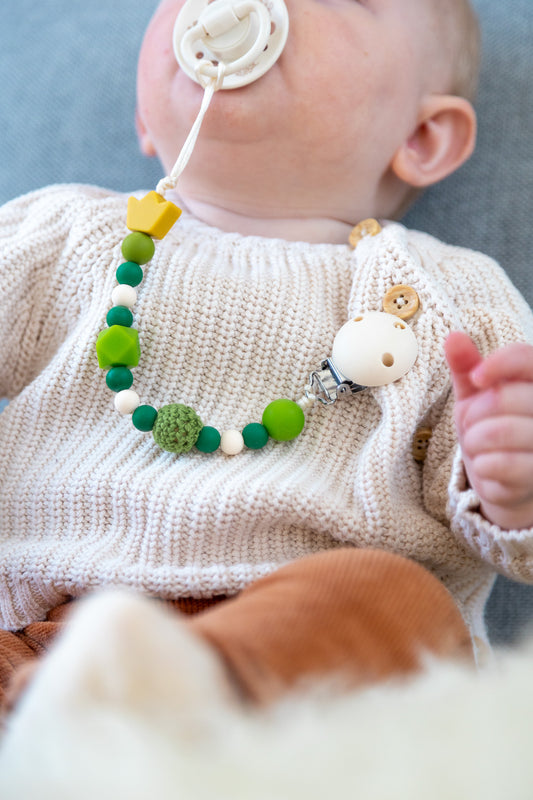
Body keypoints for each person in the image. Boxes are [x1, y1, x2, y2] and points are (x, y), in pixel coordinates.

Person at [1, 0, 533, 711]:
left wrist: (509, 484)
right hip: (42, 635)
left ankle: (137, 711)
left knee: (395, 597)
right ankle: (76, 713)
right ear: (142, 111)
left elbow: (511, 532)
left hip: (306, 648)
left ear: (422, 136)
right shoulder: (61, 236)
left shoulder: (454, 296)